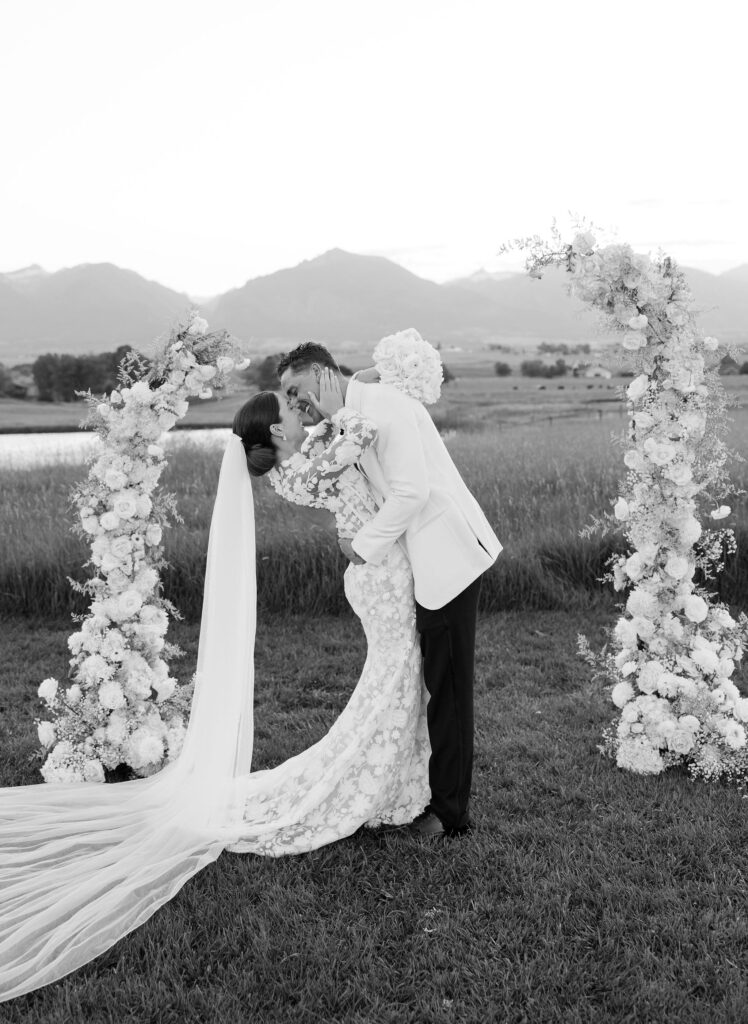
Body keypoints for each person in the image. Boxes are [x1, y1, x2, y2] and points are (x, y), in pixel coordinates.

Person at [279, 334, 502, 837]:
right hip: (423, 560)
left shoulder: (383, 407)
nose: (294, 404)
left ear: (320, 375)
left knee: (448, 690)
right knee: (434, 683)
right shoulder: (359, 402)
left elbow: (411, 491)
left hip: (447, 558)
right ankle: (430, 793)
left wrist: (362, 547)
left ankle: (449, 816)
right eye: (287, 399)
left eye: (296, 390)